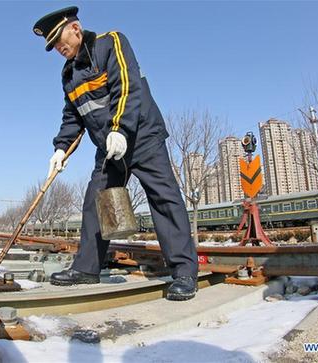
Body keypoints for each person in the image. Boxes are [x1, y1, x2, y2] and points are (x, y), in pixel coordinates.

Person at [33, 6, 198, 300]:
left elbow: (128, 87)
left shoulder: (110, 43)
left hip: (141, 136)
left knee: (164, 199)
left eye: (60, 40)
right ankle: (86, 268)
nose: (59, 48)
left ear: (75, 28)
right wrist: (60, 148)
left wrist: (119, 128)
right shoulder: (68, 74)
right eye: (54, 46)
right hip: (108, 148)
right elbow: (73, 116)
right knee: (96, 202)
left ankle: (184, 272)